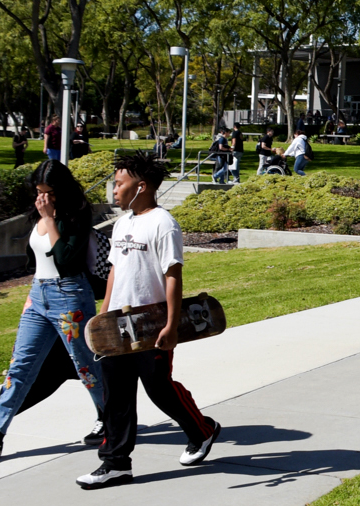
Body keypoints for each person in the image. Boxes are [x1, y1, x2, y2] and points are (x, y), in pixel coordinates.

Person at [77, 152, 221, 490]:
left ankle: (202, 430)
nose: (114, 189)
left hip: (151, 322)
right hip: (118, 325)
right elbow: (114, 270)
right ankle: (115, 464)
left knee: (159, 388)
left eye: (120, 183)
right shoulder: (123, 222)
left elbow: (172, 275)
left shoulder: (163, 223)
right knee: (116, 394)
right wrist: (105, 315)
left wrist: (172, 324)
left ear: (141, 187)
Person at [0, 160, 107, 458]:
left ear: (62, 190)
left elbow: (66, 261)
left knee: (85, 365)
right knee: (21, 366)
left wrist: (51, 220)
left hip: (70, 297)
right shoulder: (38, 214)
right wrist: (32, 295)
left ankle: (109, 417)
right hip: (38, 296)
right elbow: (38, 259)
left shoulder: (76, 215)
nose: (43, 198)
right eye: (39, 192)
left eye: (50, 192)